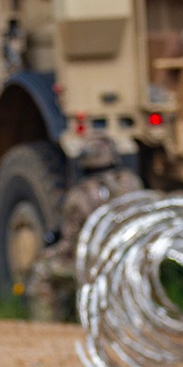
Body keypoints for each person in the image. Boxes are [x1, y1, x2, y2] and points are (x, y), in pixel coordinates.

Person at [24, 136, 145, 321]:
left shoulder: (80, 194)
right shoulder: (132, 184)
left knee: (41, 271)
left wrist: (50, 251)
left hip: (94, 264)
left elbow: (70, 242)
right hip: (132, 260)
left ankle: (45, 327)